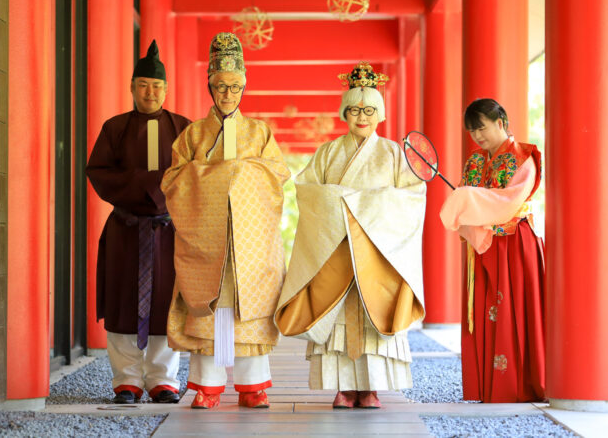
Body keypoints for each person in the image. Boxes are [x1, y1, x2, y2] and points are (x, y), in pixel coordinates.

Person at [275, 62, 426, 409]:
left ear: (380, 114)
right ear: (344, 113)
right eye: (355, 110)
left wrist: (362, 207)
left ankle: (372, 387)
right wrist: (346, 207)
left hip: (379, 251)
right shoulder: (328, 153)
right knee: (337, 319)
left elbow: (412, 195)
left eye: (369, 110)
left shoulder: (394, 154)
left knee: (374, 317)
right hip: (336, 247)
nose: (362, 117)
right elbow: (308, 190)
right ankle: (342, 387)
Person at [161, 32, 290, 410]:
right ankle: (207, 386)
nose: (228, 94)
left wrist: (240, 175)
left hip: (249, 239)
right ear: (210, 87)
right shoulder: (193, 134)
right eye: (220, 86)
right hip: (207, 239)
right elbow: (172, 181)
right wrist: (221, 178)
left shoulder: (260, 132)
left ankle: (253, 387)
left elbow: (278, 176)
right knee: (210, 311)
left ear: (244, 87)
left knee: (249, 311)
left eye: (235, 87)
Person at [86, 40, 191, 404]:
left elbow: (194, 175)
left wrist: (160, 195)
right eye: (143, 85)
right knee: (123, 302)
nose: (150, 92)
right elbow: (99, 172)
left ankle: (163, 380)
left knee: (165, 304)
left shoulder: (184, 128)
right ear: (131, 87)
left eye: (157, 86)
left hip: (168, 230)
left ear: (166, 89)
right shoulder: (115, 127)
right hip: (126, 228)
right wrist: (150, 186)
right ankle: (126, 380)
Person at [439, 98, 546, 403]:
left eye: (481, 128)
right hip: (482, 245)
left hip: (514, 242)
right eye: (472, 131)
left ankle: (520, 386)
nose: (477, 136)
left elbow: (509, 201)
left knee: (514, 311)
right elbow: (466, 202)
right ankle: (489, 387)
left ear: (500, 123)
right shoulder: (474, 160)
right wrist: (467, 201)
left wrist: (468, 199)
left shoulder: (523, 157)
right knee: (487, 310)